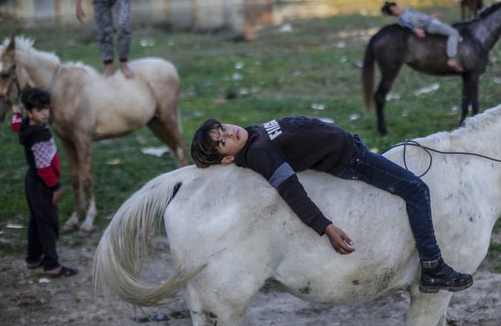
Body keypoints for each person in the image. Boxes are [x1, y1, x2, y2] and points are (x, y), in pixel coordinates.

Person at [191, 117, 473, 293]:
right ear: (227, 159)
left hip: (352, 147)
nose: (229, 134)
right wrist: (325, 227)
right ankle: (434, 269)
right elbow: (291, 191)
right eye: (223, 142)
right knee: (416, 189)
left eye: (223, 129)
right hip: (352, 160)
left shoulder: (253, 136)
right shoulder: (260, 154)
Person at [10, 88, 78, 278]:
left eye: (46, 108)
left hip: (31, 181)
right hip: (42, 183)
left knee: (36, 220)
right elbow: (44, 167)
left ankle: (33, 258)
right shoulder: (40, 135)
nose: (45, 113)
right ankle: (51, 265)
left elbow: (15, 126)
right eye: (40, 110)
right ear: (30, 112)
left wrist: (16, 115)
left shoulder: (25, 126)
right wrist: (55, 187)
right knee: (49, 223)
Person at [381, 1, 464, 72]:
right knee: (453, 33)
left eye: (396, 7)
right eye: (395, 10)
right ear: (394, 14)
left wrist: (431, 17)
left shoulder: (408, 11)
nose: (398, 9)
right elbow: (409, 25)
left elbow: (421, 18)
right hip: (431, 26)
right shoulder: (403, 19)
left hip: (432, 22)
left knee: (448, 29)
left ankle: (455, 44)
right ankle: (452, 58)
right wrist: (415, 30)